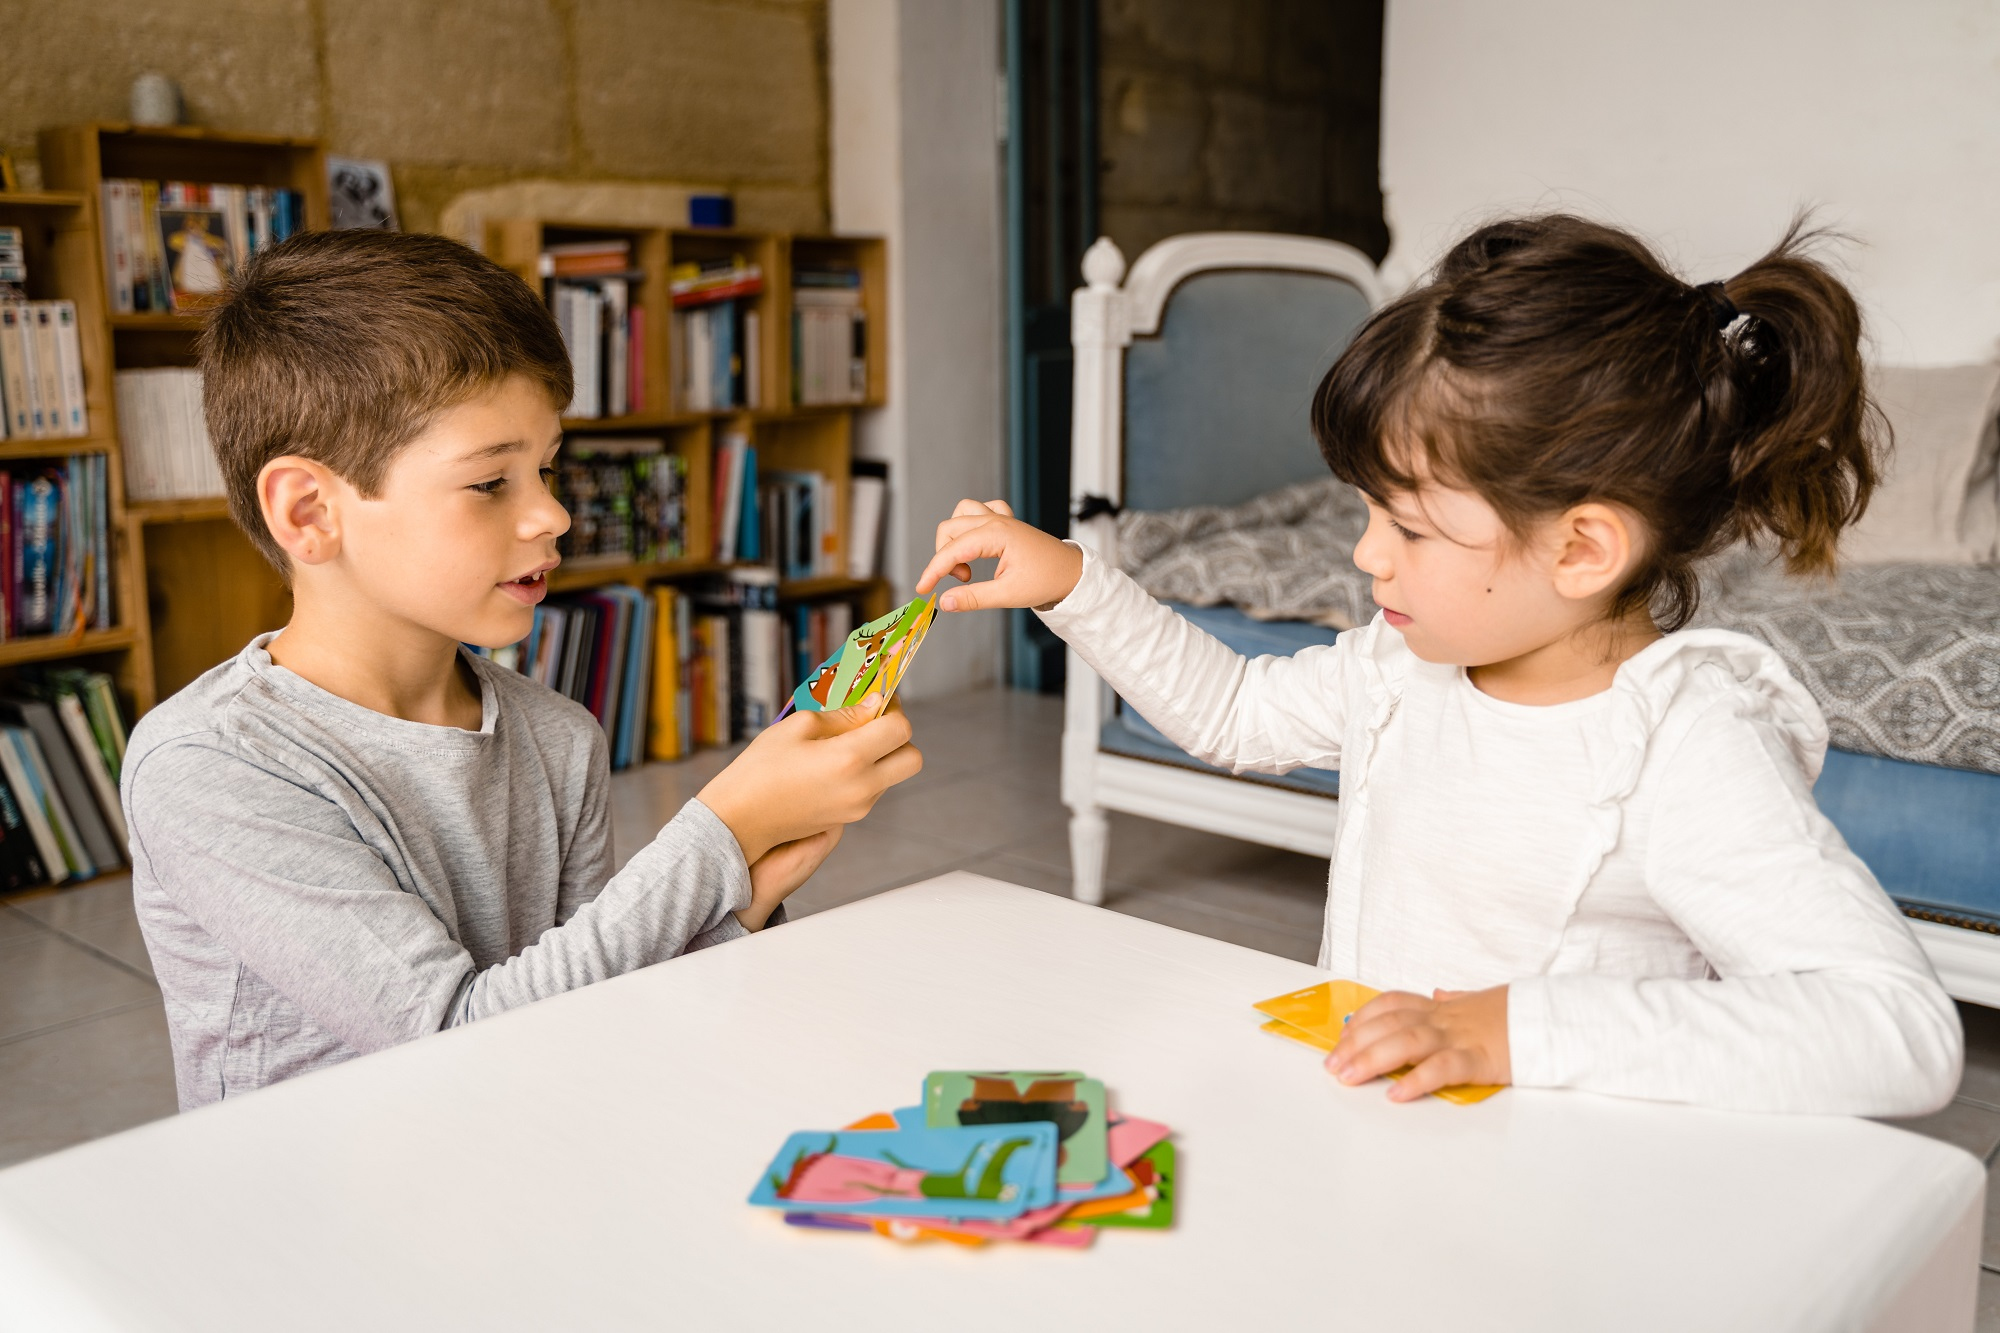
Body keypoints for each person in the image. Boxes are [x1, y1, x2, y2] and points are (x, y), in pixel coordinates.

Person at [918, 215, 1962, 1116]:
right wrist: (1072, 581)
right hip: (1383, 1150)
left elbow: (1894, 1026)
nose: (1366, 553)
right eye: (1365, 510)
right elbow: (1234, 710)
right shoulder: (1402, 666)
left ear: (1581, 547)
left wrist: (1511, 1031)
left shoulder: (1678, 738)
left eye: (1408, 525)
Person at [123, 230, 921, 1110]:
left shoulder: (556, 736)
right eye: (490, 482)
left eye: (546, 467)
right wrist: (719, 836)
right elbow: (457, 1039)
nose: (554, 513)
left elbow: (587, 1011)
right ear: (310, 511)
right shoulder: (211, 766)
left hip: (518, 1161)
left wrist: (742, 902)